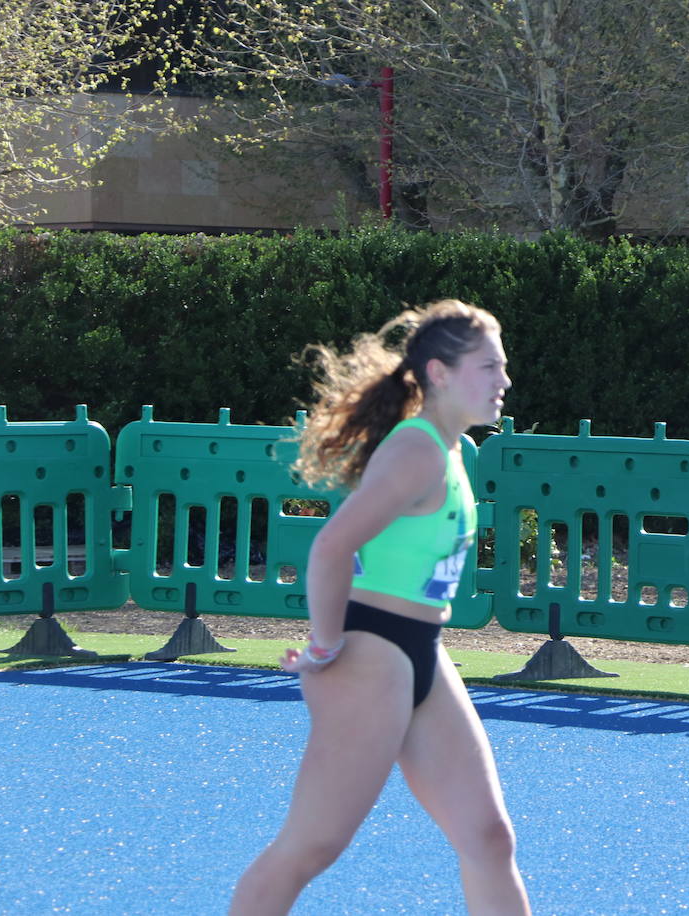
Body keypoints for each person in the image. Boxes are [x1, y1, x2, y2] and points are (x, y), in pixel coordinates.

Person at [229, 300, 531, 915]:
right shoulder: (416, 449)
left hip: (422, 653)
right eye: (489, 366)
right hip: (372, 655)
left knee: (488, 838)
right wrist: (324, 647)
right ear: (441, 374)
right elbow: (331, 547)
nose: (504, 380)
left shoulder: (448, 451)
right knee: (309, 848)